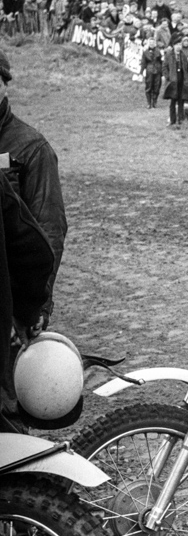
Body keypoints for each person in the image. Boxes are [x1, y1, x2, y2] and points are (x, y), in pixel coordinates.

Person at [0, 49, 66, 332]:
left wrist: (35, 306)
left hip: (9, 303)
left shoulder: (31, 148)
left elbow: (49, 230)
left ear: (4, 85)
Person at [0, 171, 55, 433]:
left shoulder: (33, 148)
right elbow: (38, 251)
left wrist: (27, 312)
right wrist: (26, 311)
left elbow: (49, 227)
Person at [162, 39, 188, 126]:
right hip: (173, 81)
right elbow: (164, 67)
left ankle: (180, 119)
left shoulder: (183, 55)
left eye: (180, 44)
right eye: (177, 44)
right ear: (174, 46)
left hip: (182, 80)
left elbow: (186, 68)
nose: (179, 46)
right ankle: (172, 120)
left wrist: (187, 79)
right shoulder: (169, 55)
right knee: (172, 101)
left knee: (181, 101)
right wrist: (168, 77)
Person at [141, 37, 162, 109]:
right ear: (148, 44)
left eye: (153, 43)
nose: (152, 44)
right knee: (149, 86)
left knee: (157, 86)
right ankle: (149, 103)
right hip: (149, 71)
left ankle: (154, 102)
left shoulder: (158, 51)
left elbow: (161, 61)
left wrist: (162, 71)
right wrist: (141, 72)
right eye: (150, 43)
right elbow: (143, 63)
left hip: (157, 70)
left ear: (155, 44)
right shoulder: (145, 52)